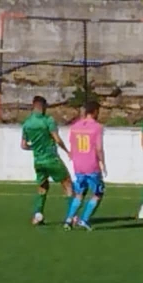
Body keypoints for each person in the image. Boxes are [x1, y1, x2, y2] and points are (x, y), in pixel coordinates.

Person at [21, 96, 73, 226]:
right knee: (67, 183)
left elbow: (23, 145)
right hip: (51, 159)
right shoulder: (48, 120)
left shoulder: (27, 123)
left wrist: (37, 147)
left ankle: (37, 215)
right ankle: (72, 215)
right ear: (42, 106)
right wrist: (67, 150)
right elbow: (57, 138)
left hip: (38, 161)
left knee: (42, 186)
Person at [66, 101, 106, 231]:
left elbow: (72, 147)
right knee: (98, 192)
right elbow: (99, 148)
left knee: (79, 193)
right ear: (94, 112)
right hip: (92, 165)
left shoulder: (74, 127)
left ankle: (68, 219)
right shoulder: (97, 127)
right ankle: (84, 219)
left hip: (78, 166)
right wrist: (103, 163)